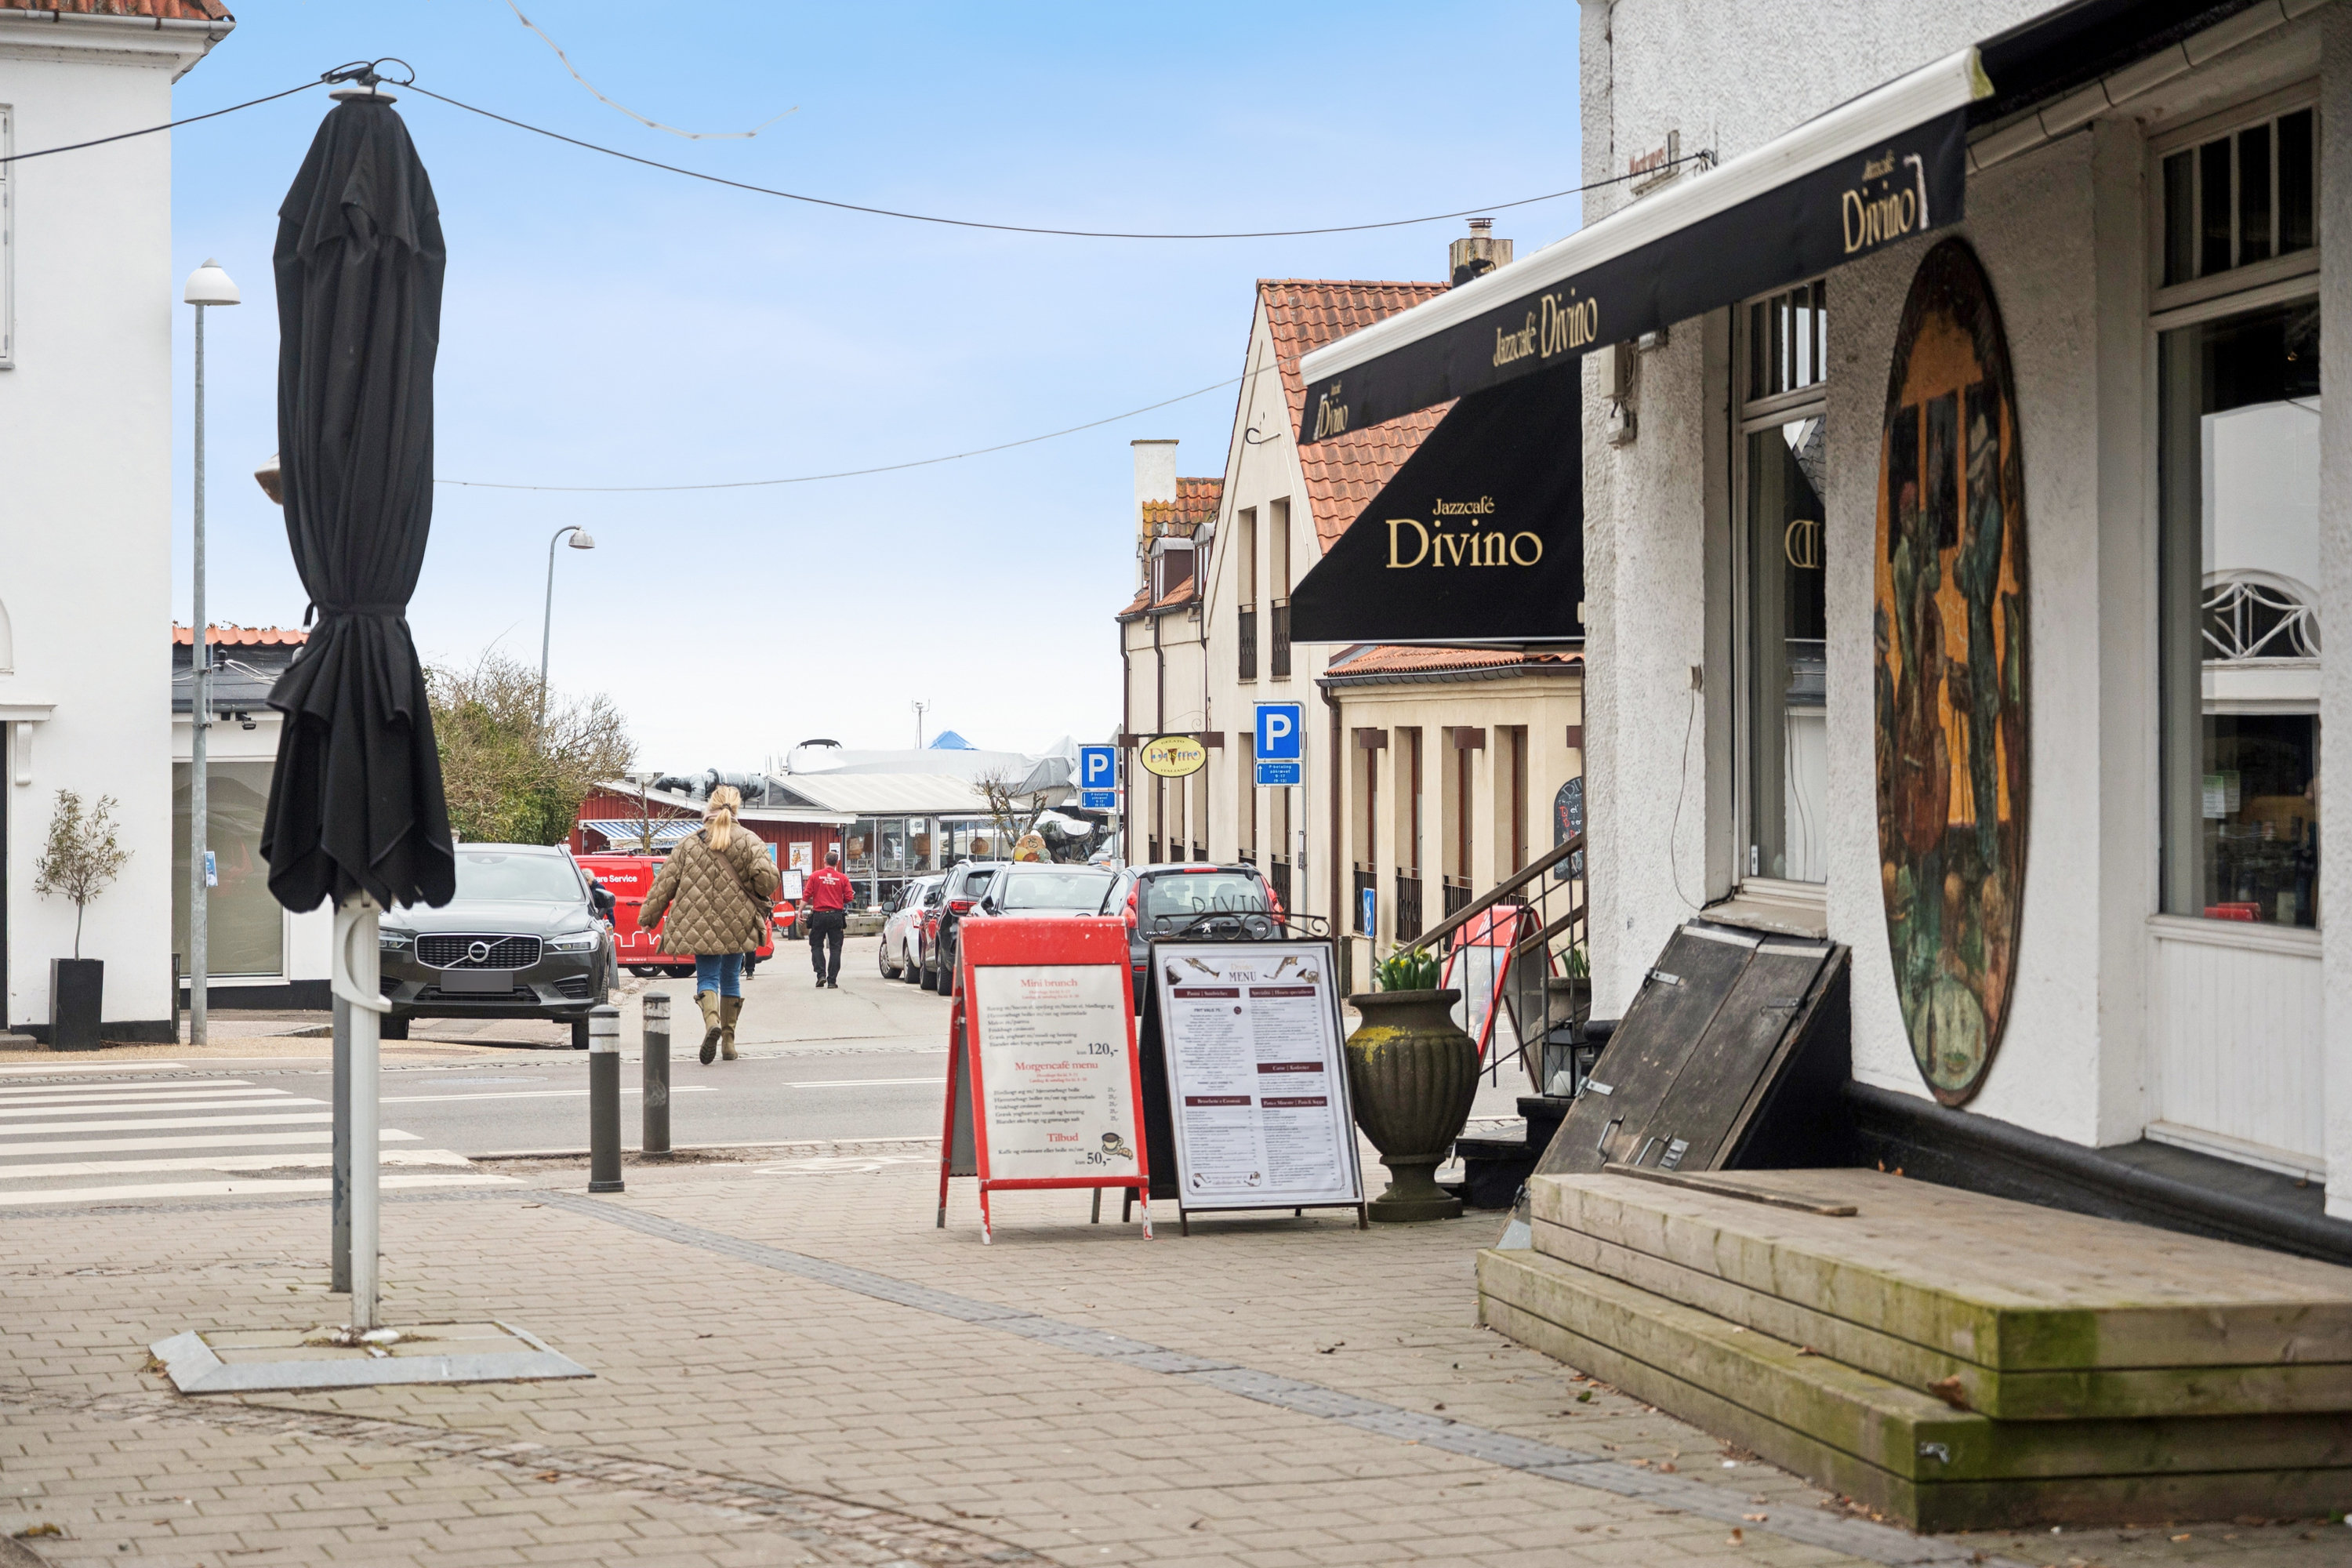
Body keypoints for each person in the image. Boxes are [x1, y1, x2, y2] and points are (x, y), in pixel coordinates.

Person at [637, 786, 779, 1064]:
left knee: (708, 978)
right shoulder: (750, 840)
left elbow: (665, 883)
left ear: (709, 807)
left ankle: (711, 1022)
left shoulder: (689, 843)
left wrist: (648, 919)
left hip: (698, 923)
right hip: (738, 922)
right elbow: (767, 882)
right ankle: (728, 1042)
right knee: (730, 978)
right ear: (737, 808)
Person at [803, 848, 855, 989]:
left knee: (816, 945)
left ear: (824, 861)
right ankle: (832, 980)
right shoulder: (843, 878)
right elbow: (850, 897)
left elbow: (806, 895)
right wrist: (837, 900)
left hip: (819, 916)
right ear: (837, 863)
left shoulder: (815, 876)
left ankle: (821, 975)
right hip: (836, 915)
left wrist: (799, 912)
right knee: (835, 948)